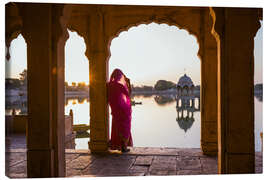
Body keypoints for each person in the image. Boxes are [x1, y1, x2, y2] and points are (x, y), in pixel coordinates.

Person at [107, 69, 133, 152]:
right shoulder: (120, 86)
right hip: (122, 110)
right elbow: (128, 95)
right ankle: (124, 147)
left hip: (115, 110)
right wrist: (128, 83)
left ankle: (118, 145)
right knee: (124, 128)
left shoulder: (108, 85)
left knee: (117, 127)